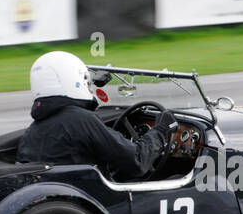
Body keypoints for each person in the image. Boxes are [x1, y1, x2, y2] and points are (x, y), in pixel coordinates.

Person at [16, 52, 176, 180]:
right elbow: (137, 161)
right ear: (73, 80)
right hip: (88, 203)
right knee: (175, 177)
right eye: (86, 80)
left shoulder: (32, 131)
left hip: (63, 202)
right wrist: (161, 131)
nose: (89, 86)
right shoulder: (80, 120)